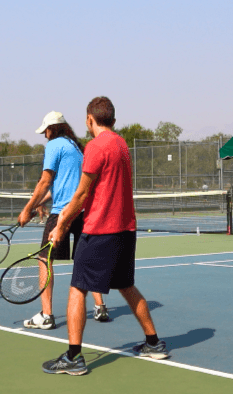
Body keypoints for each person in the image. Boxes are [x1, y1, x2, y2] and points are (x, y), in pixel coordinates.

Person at [43, 97, 168, 376]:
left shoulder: (96, 147)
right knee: (126, 286)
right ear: (112, 118)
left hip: (100, 230)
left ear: (90, 119)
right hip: (126, 230)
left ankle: (74, 358)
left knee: (77, 289)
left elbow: (83, 194)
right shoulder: (122, 144)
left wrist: (61, 225)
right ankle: (153, 343)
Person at [17, 111, 108, 331]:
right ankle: (100, 306)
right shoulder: (77, 148)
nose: (45, 135)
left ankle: (47, 315)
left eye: (46, 131)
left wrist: (27, 209)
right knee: (83, 260)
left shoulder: (54, 145)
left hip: (62, 214)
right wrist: (43, 201)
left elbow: (45, 180)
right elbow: (68, 185)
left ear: (53, 129)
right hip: (82, 211)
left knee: (44, 260)